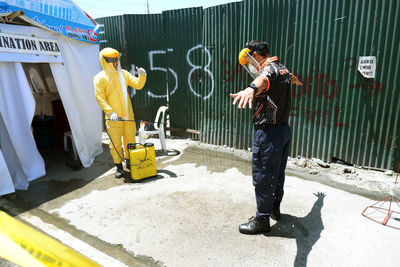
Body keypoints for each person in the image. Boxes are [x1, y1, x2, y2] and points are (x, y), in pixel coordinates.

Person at [231, 40, 296, 234]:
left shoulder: (267, 71)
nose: (249, 66)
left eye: (249, 62)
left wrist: (250, 88)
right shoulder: (281, 67)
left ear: (255, 56)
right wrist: (295, 80)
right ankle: (274, 208)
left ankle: (262, 220)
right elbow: (288, 77)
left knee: (263, 176)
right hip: (283, 131)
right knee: (277, 173)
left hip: (268, 134)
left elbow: (263, 81)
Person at [93, 47, 147, 178]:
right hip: (113, 119)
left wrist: (142, 76)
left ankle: (130, 162)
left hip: (128, 116)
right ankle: (118, 167)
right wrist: (110, 112)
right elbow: (100, 98)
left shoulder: (123, 74)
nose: (115, 62)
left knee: (130, 140)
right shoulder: (100, 78)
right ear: (104, 60)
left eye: (116, 59)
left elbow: (138, 85)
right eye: (111, 59)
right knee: (115, 144)